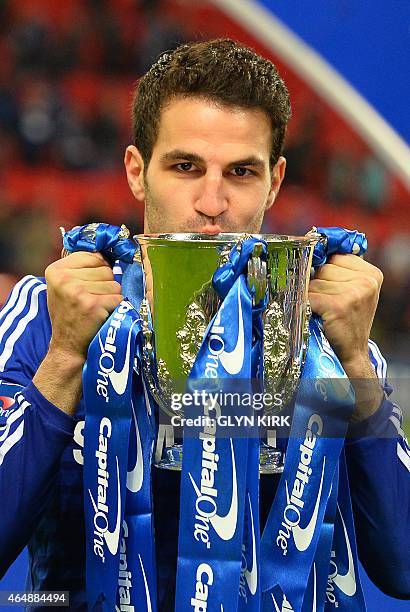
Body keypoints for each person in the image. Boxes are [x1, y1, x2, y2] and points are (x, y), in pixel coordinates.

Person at [0, 39, 409, 610]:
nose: (211, 202)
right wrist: (66, 358)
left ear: (274, 181)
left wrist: (360, 365)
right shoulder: (47, 314)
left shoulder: (324, 333)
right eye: (186, 166)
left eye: (241, 172)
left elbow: (402, 566)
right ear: (137, 172)